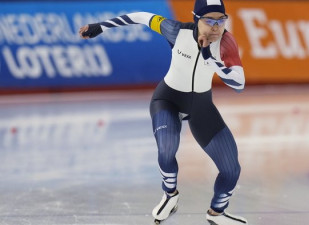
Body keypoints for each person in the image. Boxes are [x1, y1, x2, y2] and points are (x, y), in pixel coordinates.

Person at [79, 0, 247, 224]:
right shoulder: (176, 31)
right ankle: (170, 195)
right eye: (209, 20)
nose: (216, 26)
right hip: (169, 100)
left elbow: (239, 84)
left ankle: (217, 213)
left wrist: (211, 58)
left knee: (231, 169)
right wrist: (102, 26)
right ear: (196, 18)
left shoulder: (226, 42)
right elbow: (142, 17)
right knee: (167, 148)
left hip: (201, 107)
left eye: (221, 20)